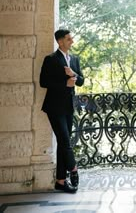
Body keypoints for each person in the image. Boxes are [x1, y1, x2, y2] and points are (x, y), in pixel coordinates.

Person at [40, 29, 84, 193]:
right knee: (65, 141)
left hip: (69, 107)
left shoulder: (75, 59)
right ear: (59, 41)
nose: (71, 41)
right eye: (68, 39)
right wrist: (64, 84)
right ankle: (73, 169)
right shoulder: (50, 59)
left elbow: (81, 81)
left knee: (62, 143)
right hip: (54, 107)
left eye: (71, 38)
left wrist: (73, 75)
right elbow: (43, 82)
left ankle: (60, 180)